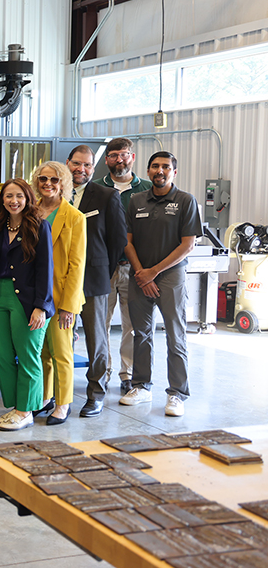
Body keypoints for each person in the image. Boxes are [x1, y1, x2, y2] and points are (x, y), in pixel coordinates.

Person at [120, 151, 201, 417]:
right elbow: (127, 241)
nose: (160, 171)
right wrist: (141, 273)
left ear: (174, 172)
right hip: (139, 275)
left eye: (166, 167)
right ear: (148, 170)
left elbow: (187, 245)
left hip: (170, 276)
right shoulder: (136, 201)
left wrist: (153, 272)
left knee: (175, 334)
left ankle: (177, 393)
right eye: (155, 166)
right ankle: (141, 386)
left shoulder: (186, 201)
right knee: (140, 333)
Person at [0, 179, 54, 432]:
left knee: (28, 355)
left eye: (19, 196)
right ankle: (16, 406)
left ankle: (26, 411)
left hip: (28, 299)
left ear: (28, 198)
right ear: (2, 199)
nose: (14, 201)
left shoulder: (39, 226)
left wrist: (41, 306)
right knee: (1, 354)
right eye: (8, 196)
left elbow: (46, 268)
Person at [67, 146, 127, 418]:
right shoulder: (55, 193)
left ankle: (96, 394)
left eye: (88, 165)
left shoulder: (106, 196)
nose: (81, 170)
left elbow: (117, 241)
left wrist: (106, 269)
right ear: (67, 163)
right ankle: (61, 393)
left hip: (94, 277)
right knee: (61, 338)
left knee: (96, 338)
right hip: (61, 278)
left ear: (93, 168)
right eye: (77, 164)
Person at [96, 138, 152, 395]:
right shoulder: (95, 189)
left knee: (132, 325)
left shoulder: (149, 190)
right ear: (107, 159)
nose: (120, 159)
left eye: (125, 154)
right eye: (114, 155)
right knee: (100, 323)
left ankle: (127, 374)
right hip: (102, 268)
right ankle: (102, 372)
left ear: (133, 157)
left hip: (135, 268)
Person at [32, 161, 86, 426]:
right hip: (34, 296)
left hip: (60, 298)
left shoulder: (75, 217)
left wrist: (69, 307)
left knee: (62, 353)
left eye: (54, 180)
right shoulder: (32, 213)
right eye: (43, 179)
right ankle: (45, 397)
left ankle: (63, 404)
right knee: (41, 351)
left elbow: (77, 265)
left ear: (63, 183)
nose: (48, 184)